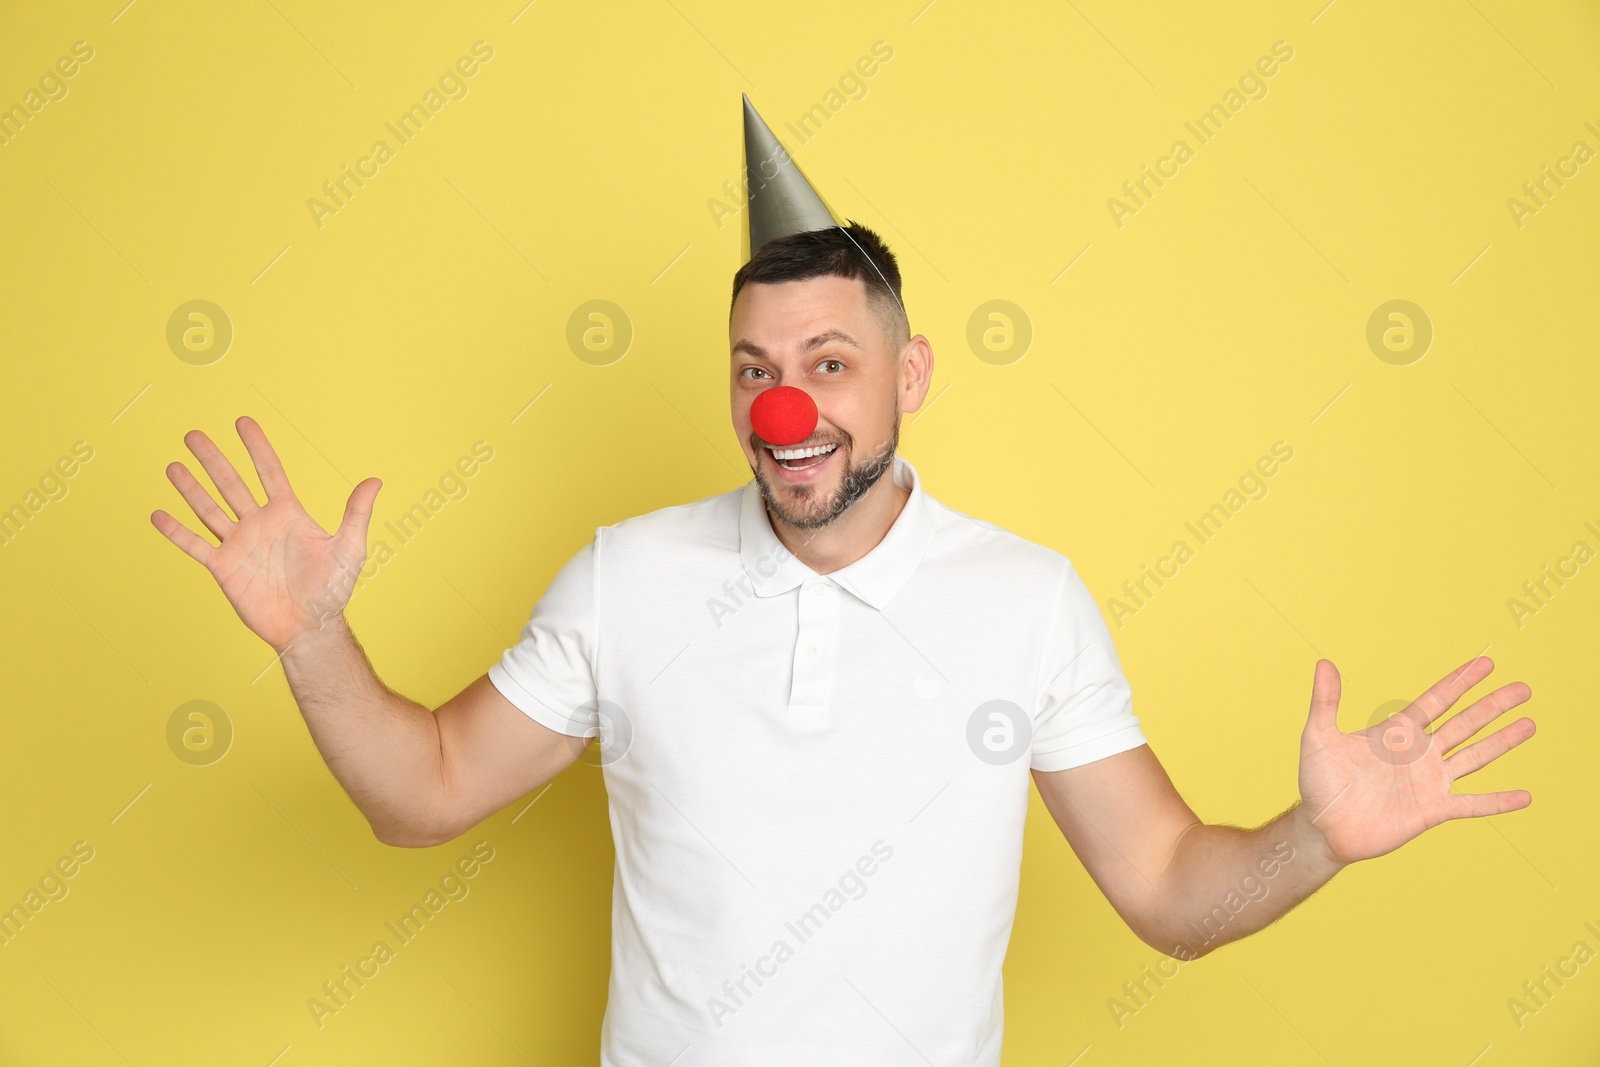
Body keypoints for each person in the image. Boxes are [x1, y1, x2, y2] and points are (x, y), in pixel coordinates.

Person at [150, 98, 1537, 1066]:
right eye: (755, 371)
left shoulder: (1027, 601)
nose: (784, 410)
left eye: (827, 365)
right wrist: (316, 641)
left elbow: (1172, 894)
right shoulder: (628, 579)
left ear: (908, 375)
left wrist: (1317, 838)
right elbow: (425, 796)